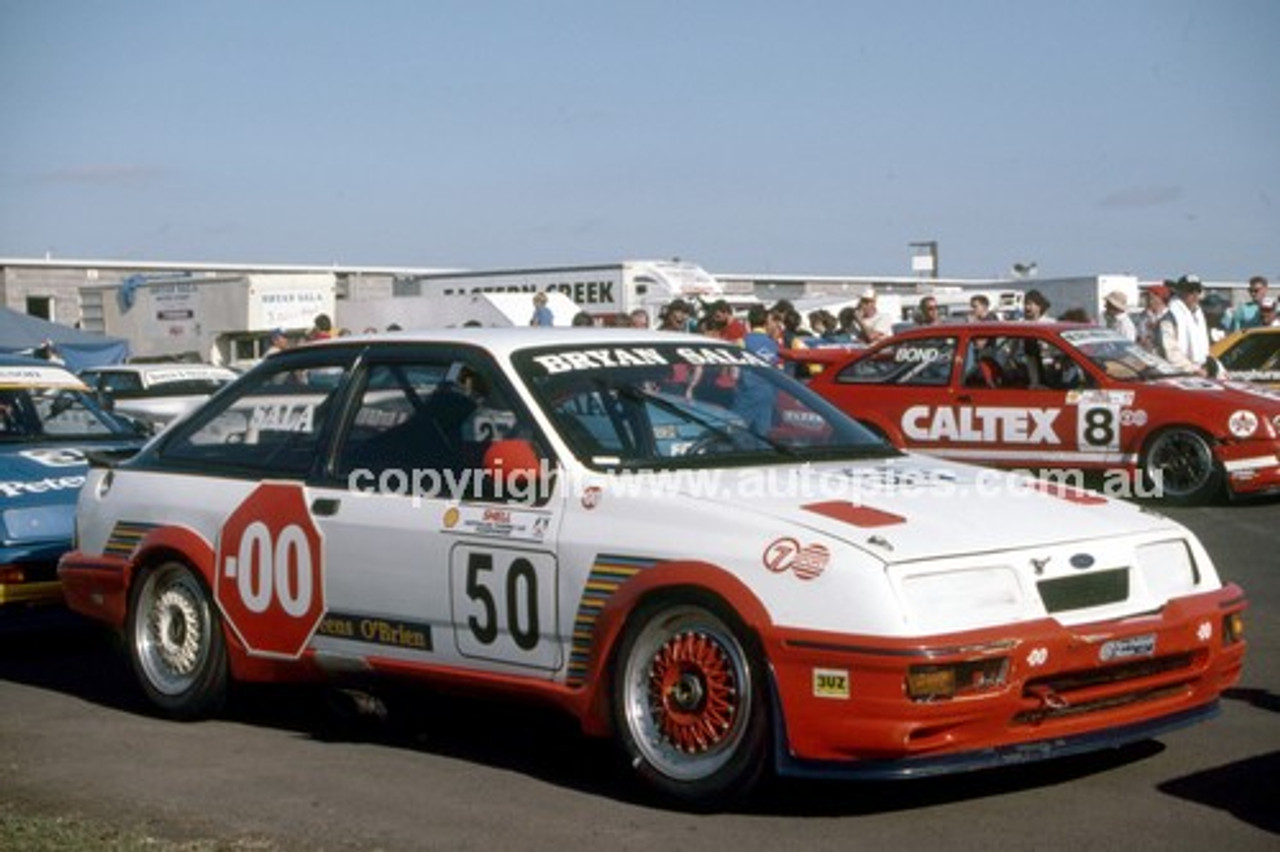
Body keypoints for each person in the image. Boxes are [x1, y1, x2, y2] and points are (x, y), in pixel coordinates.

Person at [734, 305, 782, 433]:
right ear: (767, 322)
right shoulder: (774, 344)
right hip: (768, 394)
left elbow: (734, 373)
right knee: (762, 436)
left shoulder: (742, 342)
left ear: (749, 322)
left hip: (747, 393)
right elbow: (778, 370)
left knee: (736, 432)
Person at [1157, 275, 1211, 376]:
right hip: (1178, 374)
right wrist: (1193, 369)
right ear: (1180, 292)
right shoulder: (1170, 318)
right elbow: (1170, 351)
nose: (1195, 295)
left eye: (1198, 291)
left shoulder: (1198, 316)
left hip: (1199, 372)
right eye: (1190, 291)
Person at [1134, 283, 1170, 353]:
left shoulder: (1169, 317)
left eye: (1150, 297)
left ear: (1160, 299)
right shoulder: (1144, 315)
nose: (1146, 300)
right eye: (1146, 297)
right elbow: (1139, 336)